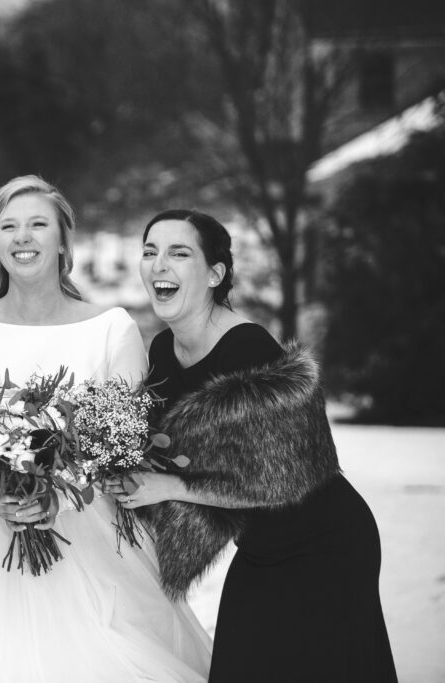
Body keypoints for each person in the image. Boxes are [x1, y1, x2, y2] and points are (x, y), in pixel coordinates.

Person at [0, 176, 212, 683]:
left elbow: (124, 448)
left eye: (38, 224)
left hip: (92, 542)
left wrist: (59, 496)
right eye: (8, 227)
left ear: (63, 241)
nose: (23, 237)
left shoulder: (112, 330)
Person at [122, 208, 396, 682]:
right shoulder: (163, 351)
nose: (159, 264)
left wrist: (167, 486)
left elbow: (277, 483)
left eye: (178, 253)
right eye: (150, 252)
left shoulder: (248, 350)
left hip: (328, 543)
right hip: (261, 549)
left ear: (214, 274)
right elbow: (161, 447)